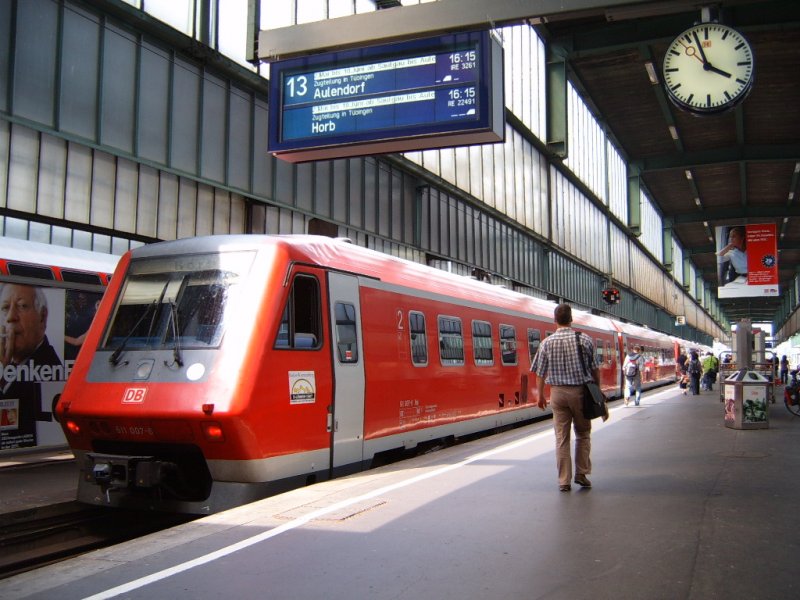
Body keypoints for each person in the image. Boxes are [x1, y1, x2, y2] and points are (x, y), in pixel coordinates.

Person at [530, 303, 602, 493]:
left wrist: (540, 395)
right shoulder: (584, 340)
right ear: (571, 319)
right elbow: (595, 369)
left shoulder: (546, 343)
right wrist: (598, 392)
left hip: (558, 393)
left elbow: (539, 372)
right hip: (580, 392)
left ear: (554, 320)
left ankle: (564, 481)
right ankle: (581, 473)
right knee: (583, 434)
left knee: (561, 438)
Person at [0, 284, 63, 449]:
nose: (11, 317)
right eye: (5, 308)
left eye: (22, 306)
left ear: (42, 318)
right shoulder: (11, 364)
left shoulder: (48, 365)